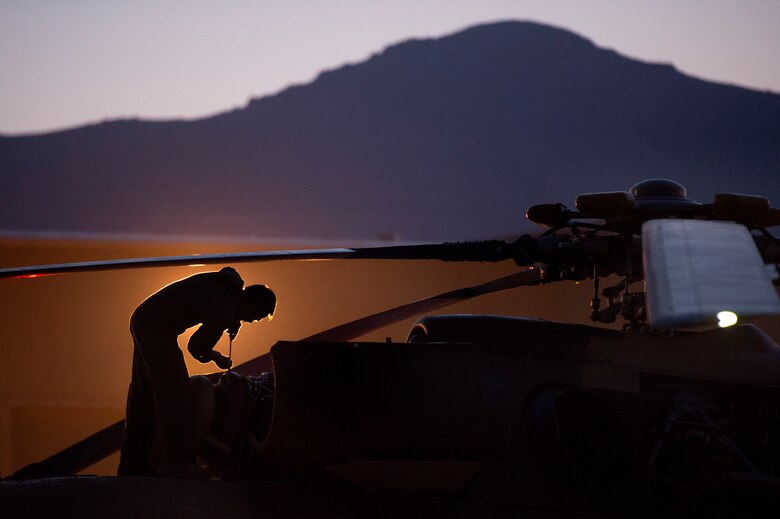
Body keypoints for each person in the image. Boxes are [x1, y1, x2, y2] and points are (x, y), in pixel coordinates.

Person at [117, 266, 276, 479]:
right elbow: (196, 347)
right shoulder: (224, 309)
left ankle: (132, 464)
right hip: (157, 328)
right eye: (254, 317)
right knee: (177, 394)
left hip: (143, 318)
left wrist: (229, 318)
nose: (249, 321)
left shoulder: (225, 287)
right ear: (251, 305)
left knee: (144, 396)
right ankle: (176, 460)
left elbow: (218, 291)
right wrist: (217, 355)